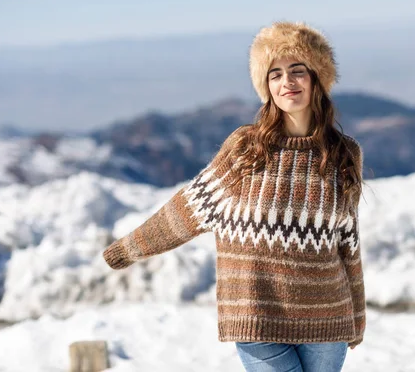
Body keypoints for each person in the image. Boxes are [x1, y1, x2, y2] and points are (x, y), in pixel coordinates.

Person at [103, 21, 366, 372]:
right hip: (256, 316)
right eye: (275, 74)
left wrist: (357, 315)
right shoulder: (246, 149)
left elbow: (347, 240)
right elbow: (189, 208)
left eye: (297, 71)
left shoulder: (344, 153)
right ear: (265, 86)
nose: (287, 82)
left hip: (327, 321)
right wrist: (127, 249)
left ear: (317, 78)